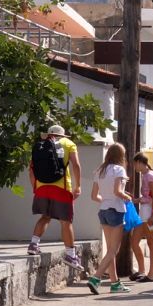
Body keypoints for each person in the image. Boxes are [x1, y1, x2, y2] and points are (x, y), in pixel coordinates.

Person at [27, 124, 83, 268]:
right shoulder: (68, 143)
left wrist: (35, 187)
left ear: (49, 134)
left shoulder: (40, 145)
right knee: (66, 221)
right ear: (62, 135)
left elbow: (31, 169)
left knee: (45, 216)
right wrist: (78, 186)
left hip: (41, 187)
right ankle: (71, 255)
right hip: (61, 188)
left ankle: (33, 244)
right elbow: (76, 165)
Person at [87, 143, 133, 294]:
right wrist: (128, 197)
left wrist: (106, 200)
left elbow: (94, 196)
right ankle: (96, 278)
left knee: (110, 250)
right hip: (116, 210)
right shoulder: (119, 169)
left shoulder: (100, 170)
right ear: (121, 156)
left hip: (103, 210)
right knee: (114, 249)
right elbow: (118, 191)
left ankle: (115, 283)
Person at [129, 153, 153, 282]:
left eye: (135, 164)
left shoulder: (150, 176)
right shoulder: (146, 175)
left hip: (149, 212)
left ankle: (151, 274)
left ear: (140, 162)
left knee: (151, 242)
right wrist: (135, 200)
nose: (134, 167)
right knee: (135, 241)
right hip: (144, 211)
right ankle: (142, 271)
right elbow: (148, 196)